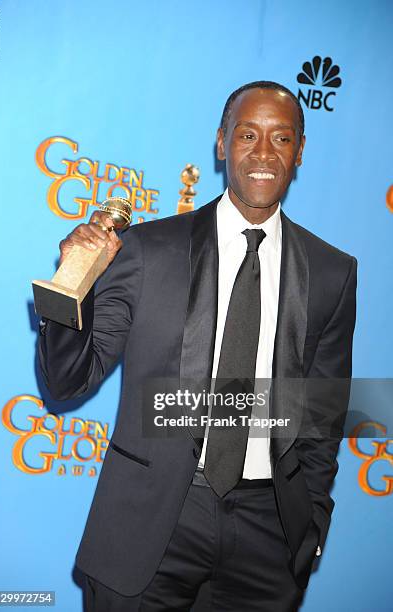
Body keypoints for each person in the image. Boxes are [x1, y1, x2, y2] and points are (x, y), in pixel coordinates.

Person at [38, 81, 357, 611]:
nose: (262, 153)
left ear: (300, 151)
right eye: (247, 134)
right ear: (221, 143)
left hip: (267, 536)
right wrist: (72, 283)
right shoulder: (148, 249)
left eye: (281, 138)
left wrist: (312, 521)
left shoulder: (331, 272)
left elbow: (323, 415)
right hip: (151, 523)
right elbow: (68, 380)